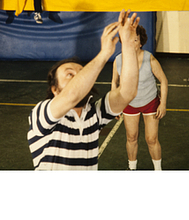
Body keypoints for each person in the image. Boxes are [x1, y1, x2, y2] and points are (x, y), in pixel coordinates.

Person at [27, 9, 140, 170]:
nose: (78, 78)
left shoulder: (94, 114)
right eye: (69, 74)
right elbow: (71, 95)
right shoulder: (42, 113)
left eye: (81, 74)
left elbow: (128, 92)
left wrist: (128, 43)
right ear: (54, 89)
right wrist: (105, 53)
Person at [111, 25, 168, 170]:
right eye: (129, 39)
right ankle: (132, 168)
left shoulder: (150, 59)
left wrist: (163, 104)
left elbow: (164, 80)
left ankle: (158, 170)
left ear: (141, 42)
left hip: (150, 102)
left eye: (135, 40)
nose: (131, 42)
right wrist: (115, 105)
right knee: (131, 137)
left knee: (151, 139)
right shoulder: (118, 60)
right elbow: (114, 82)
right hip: (129, 103)